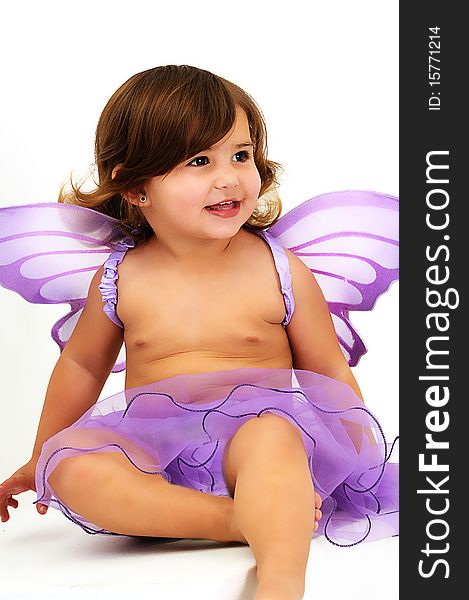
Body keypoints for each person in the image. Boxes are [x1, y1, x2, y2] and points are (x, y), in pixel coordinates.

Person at [0, 65, 398, 600]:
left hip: (260, 439)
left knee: (271, 437)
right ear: (137, 187)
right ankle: (237, 521)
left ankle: (280, 583)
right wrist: (44, 452)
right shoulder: (122, 276)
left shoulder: (278, 267)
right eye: (199, 161)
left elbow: (326, 366)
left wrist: (357, 454)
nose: (230, 177)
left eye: (241, 155)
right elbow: (82, 365)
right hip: (153, 449)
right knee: (74, 471)